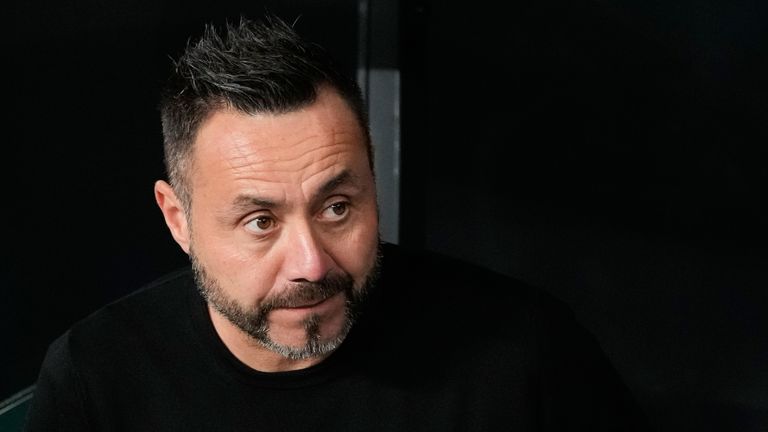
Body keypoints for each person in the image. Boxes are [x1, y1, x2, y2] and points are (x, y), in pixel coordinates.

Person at [25, 14, 651, 431]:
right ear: (178, 219)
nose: (312, 264)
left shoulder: (524, 353)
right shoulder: (97, 379)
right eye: (260, 221)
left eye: (336, 208)